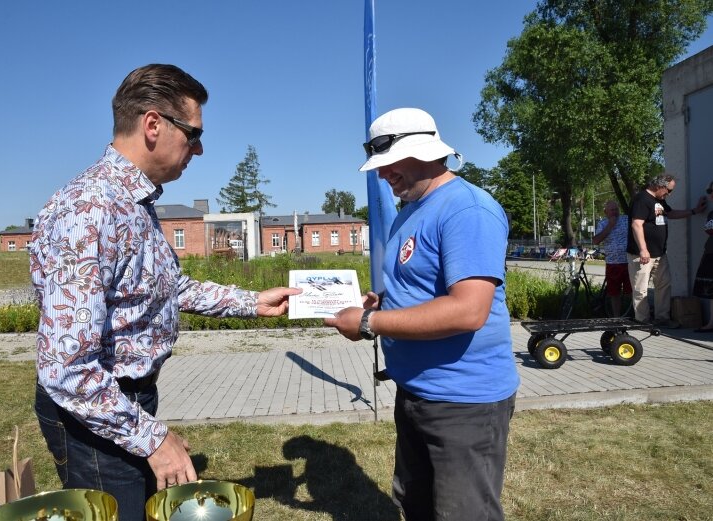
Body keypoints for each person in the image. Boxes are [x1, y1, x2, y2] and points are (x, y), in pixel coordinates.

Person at [29, 64, 300, 521]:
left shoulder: (134, 202)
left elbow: (170, 287)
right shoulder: (88, 209)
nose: (199, 147)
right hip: (94, 414)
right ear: (153, 124)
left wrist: (252, 302)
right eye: (192, 134)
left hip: (124, 403)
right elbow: (67, 368)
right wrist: (153, 438)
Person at [325, 108, 519, 521]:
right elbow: (419, 287)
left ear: (425, 154)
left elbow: (469, 310)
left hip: (463, 401)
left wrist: (367, 324)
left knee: (463, 513)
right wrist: (379, 301)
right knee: (415, 504)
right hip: (416, 391)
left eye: (390, 165)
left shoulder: (468, 209)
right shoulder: (411, 210)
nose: (382, 176)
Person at [626, 173, 706, 328]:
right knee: (640, 289)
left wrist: (694, 211)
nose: (669, 194)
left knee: (664, 285)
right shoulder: (642, 199)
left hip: (660, 254)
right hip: (642, 254)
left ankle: (662, 317)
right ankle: (642, 322)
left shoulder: (659, 201)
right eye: (668, 190)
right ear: (658, 186)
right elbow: (636, 224)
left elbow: (671, 213)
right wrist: (643, 249)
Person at [592, 200, 632, 317]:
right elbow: (596, 241)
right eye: (612, 210)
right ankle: (616, 317)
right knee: (614, 293)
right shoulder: (603, 223)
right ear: (606, 212)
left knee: (631, 291)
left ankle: (635, 314)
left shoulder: (625, 219)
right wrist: (610, 226)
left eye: (616, 209)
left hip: (628, 261)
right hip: (613, 263)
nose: (615, 212)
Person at [692, 181, 713, 332]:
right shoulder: (712, 213)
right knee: (712, 292)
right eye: (709, 191)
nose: (711, 194)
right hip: (711, 253)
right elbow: (709, 229)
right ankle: (711, 323)